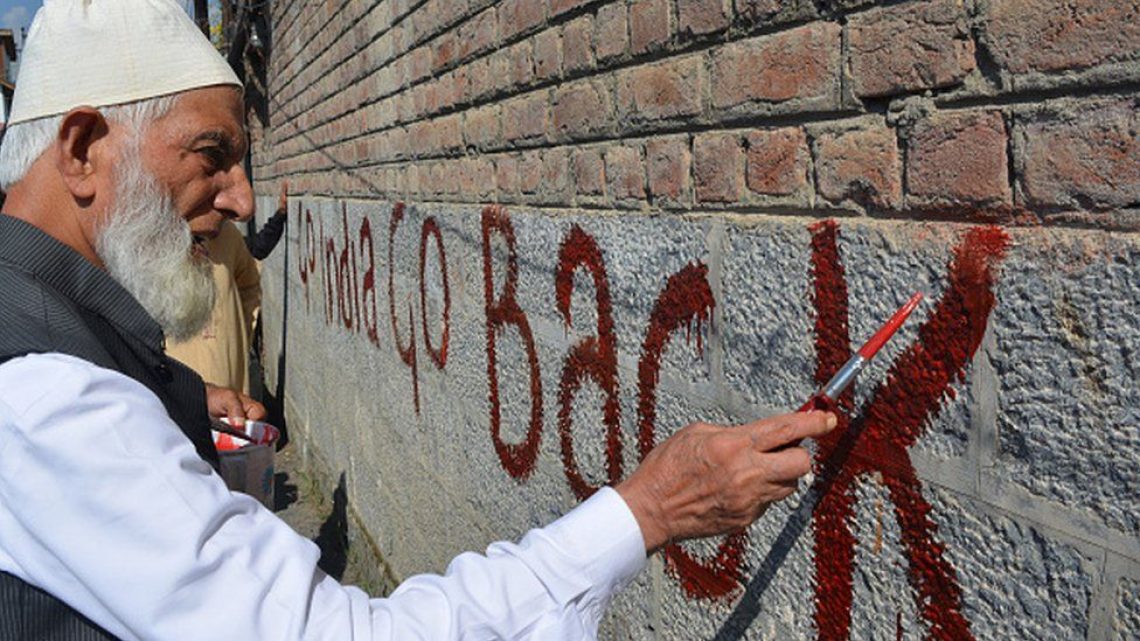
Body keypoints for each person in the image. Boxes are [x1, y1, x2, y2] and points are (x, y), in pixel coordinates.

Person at [0, 2, 837, 640]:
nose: (242, 198)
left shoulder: (45, 333)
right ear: (81, 151)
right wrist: (646, 510)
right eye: (211, 155)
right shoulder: (50, 405)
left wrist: (183, 395)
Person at [166, 218, 261, 394]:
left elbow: (249, 288)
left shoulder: (226, 233)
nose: (244, 206)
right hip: (168, 400)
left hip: (231, 396)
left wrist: (237, 340)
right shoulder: (135, 239)